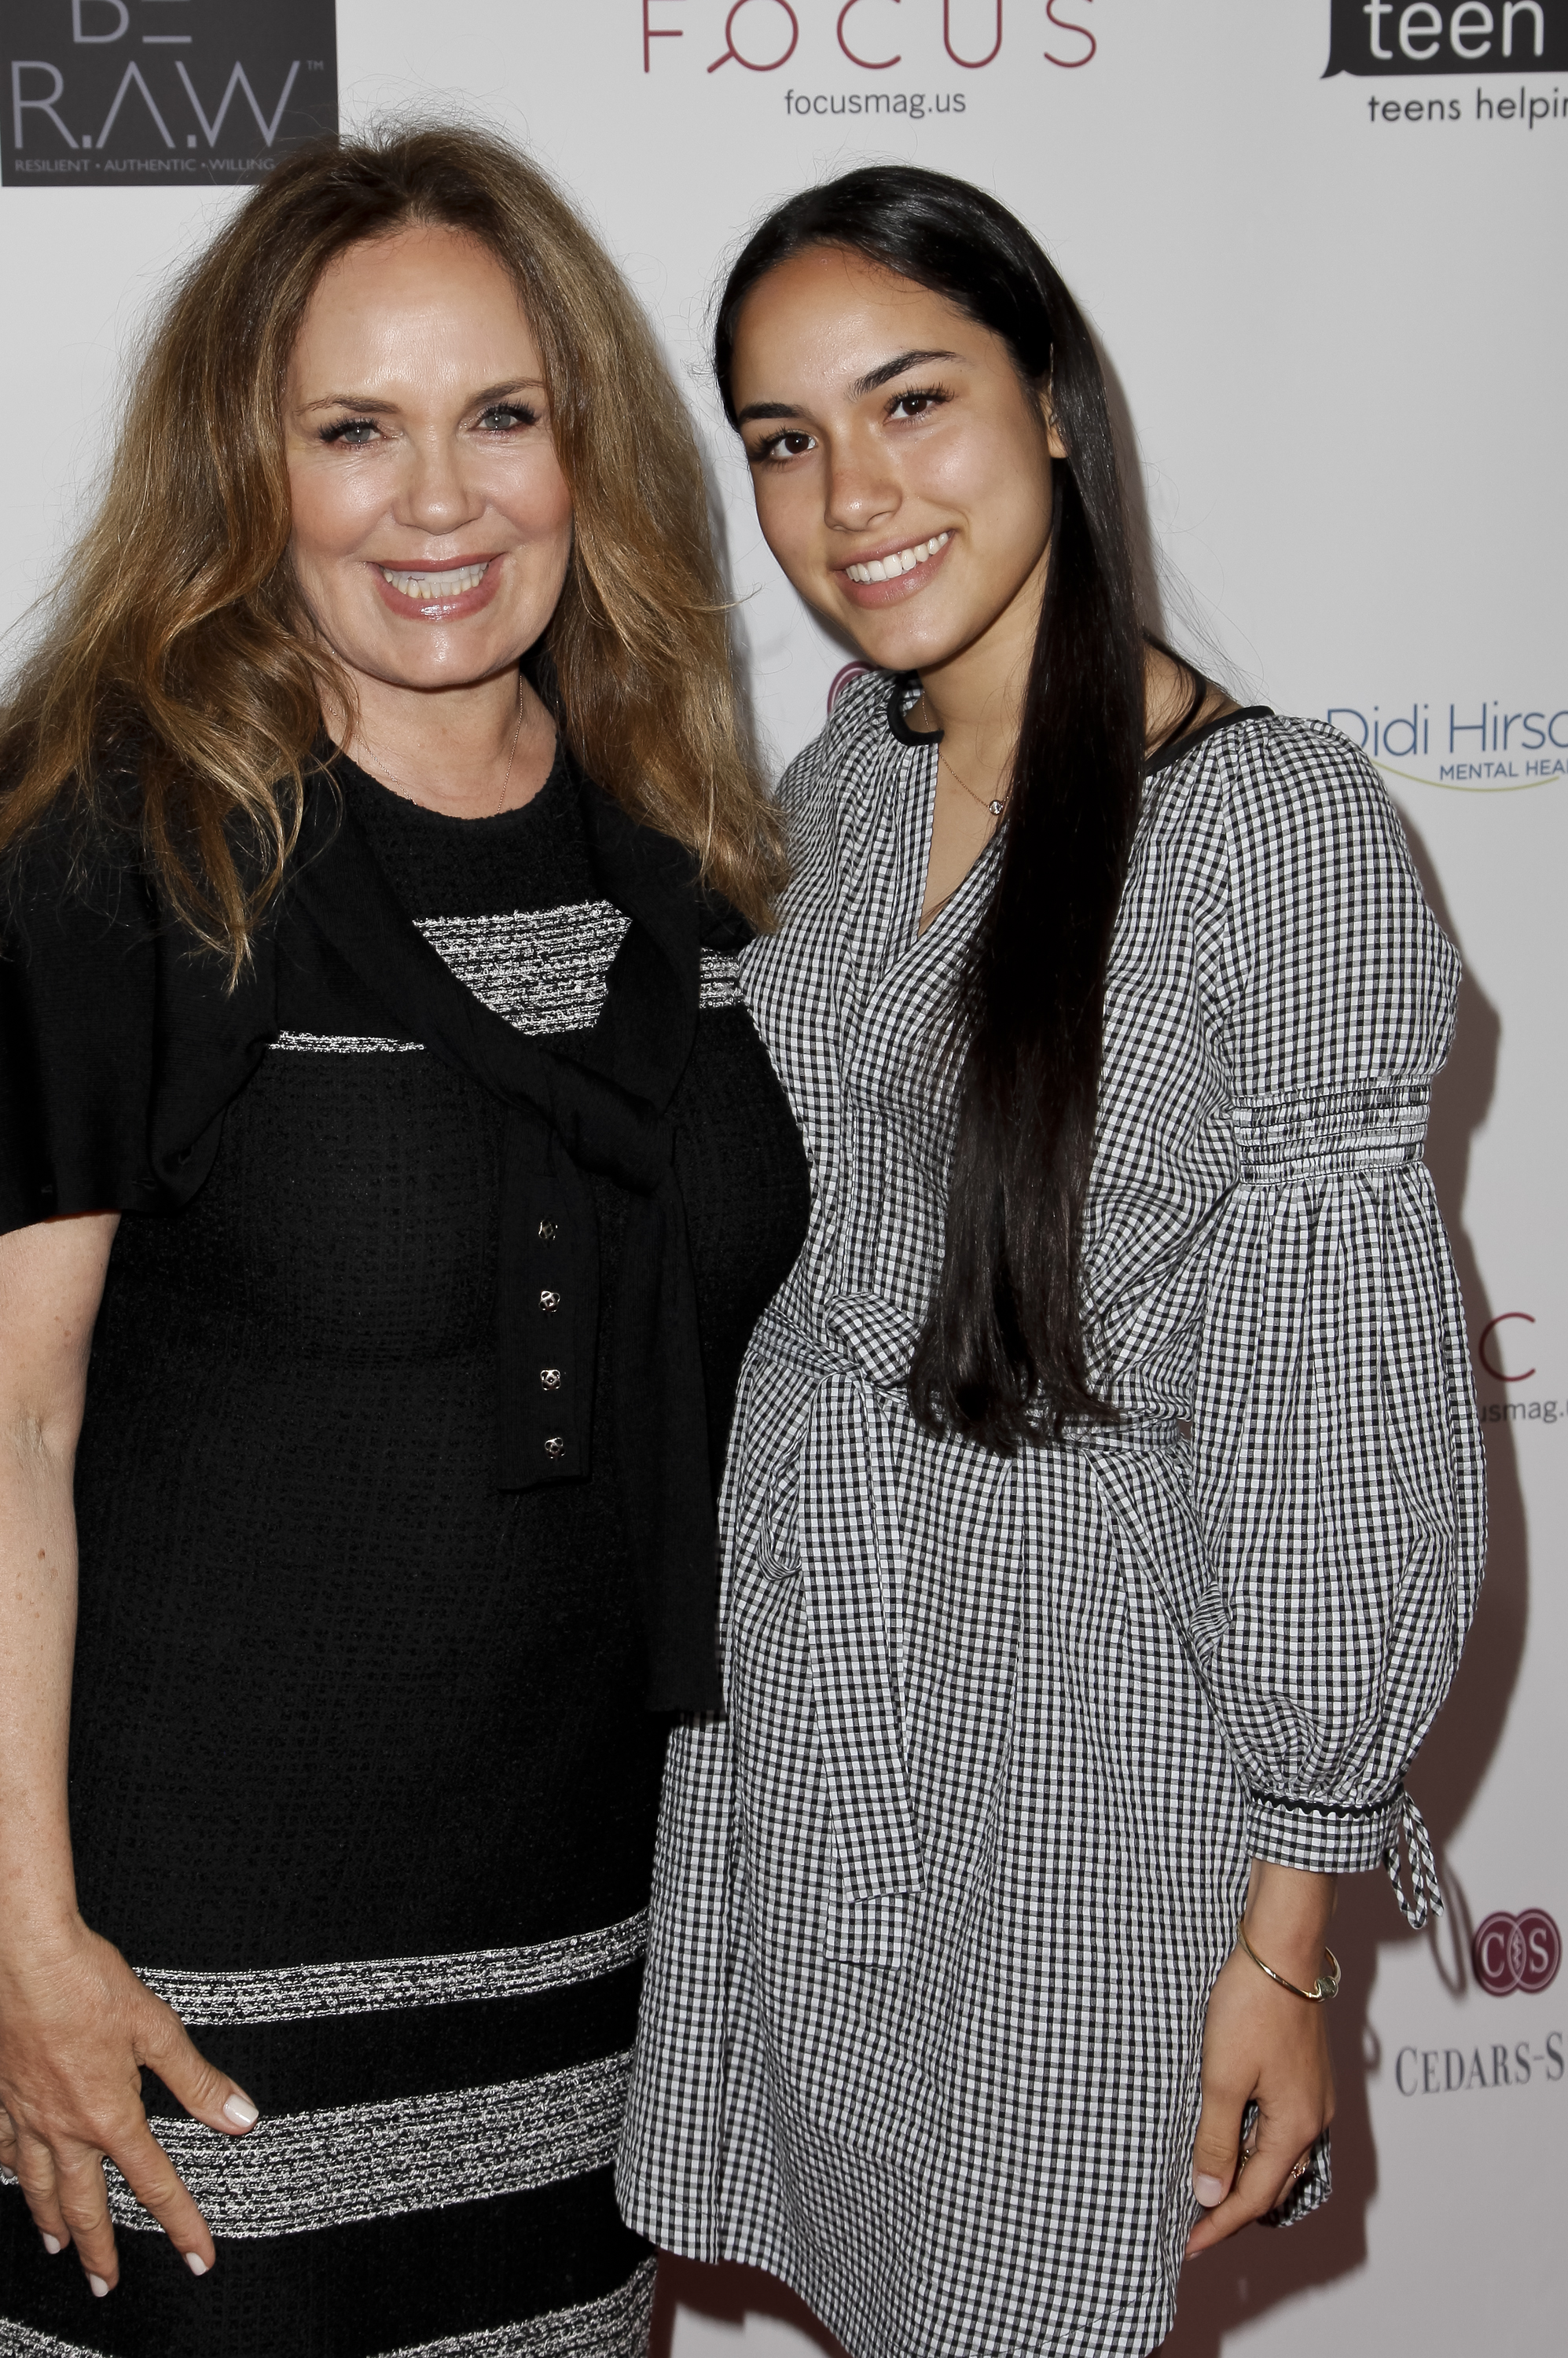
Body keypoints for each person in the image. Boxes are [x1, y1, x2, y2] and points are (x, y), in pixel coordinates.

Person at [0, 127, 810, 2358]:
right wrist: (33, 1946)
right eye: (353, 431)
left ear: (588, 443)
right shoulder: (113, 855)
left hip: (580, 1950)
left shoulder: (698, 866)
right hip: (173, 1972)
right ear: (244, 468)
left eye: (502, 415)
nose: (440, 500)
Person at [617, 166, 1484, 2356]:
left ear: (1058, 406)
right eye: (784, 441)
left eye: (911, 403)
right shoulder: (826, 781)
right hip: (809, 1744)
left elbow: (1332, 1425)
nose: (847, 495)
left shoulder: (1269, 837)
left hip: (1081, 1785)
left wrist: (1285, 1939)